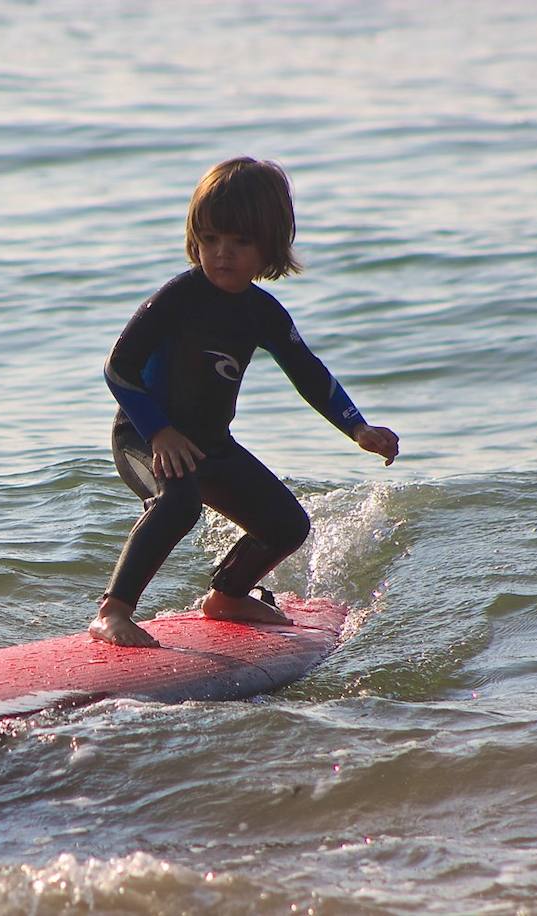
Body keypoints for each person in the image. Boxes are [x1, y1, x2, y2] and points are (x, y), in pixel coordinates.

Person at [90, 157, 400, 648]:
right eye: (210, 240)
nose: (221, 254)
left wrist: (357, 428)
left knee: (287, 525)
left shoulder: (263, 313)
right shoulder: (179, 297)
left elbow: (309, 373)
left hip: (210, 444)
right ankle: (113, 611)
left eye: (239, 242)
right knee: (177, 502)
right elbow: (119, 367)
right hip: (144, 435)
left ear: (269, 246)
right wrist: (159, 432)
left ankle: (227, 596)